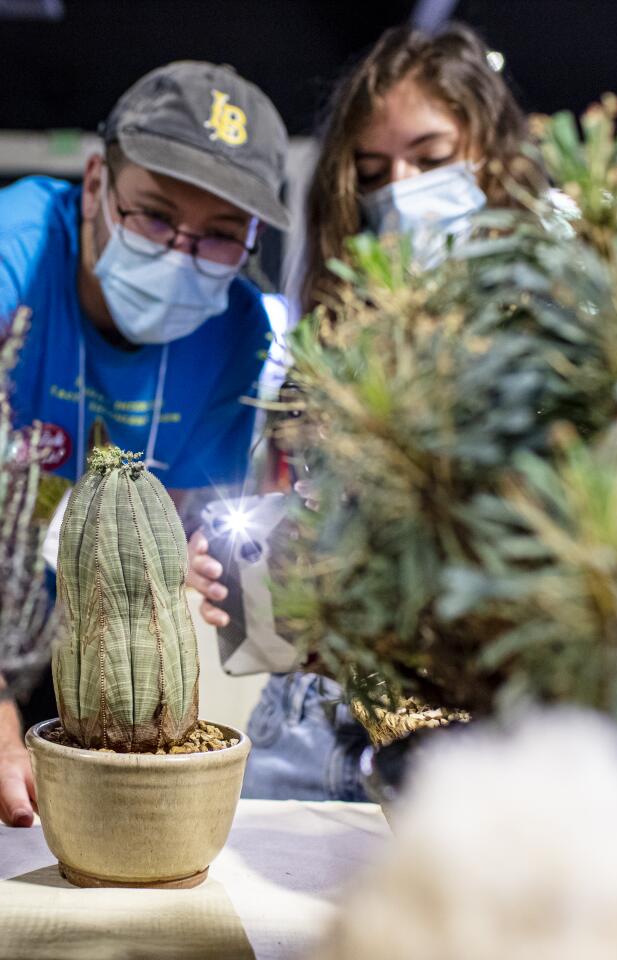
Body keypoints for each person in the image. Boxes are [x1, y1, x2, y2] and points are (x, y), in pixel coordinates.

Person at [187, 21, 535, 801]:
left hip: (474, 745)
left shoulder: (548, 335)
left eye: (432, 158)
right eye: (373, 171)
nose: (400, 190)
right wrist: (270, 590)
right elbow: (311, 526)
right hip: (313, 730)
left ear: (495, 155)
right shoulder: (331, 340)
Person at [0, 61, 291, 827]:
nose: (180, 253)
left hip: (66, 637)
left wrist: (186, 560)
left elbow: (182, 511)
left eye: (221, 238)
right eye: (155, 217)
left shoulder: (236, 332)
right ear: (98, 181)